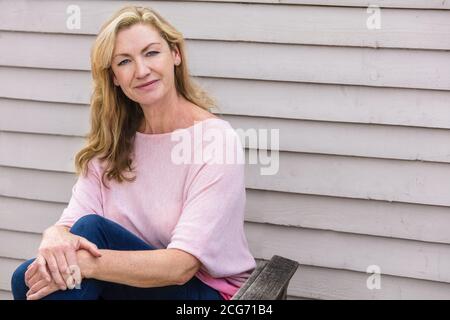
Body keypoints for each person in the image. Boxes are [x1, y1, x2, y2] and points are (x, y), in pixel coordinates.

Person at [11, 5, 256, 300]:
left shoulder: (215, 141)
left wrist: (87, 264)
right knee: (27, 278)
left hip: (201, 292)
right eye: (125, 61)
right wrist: (54, 234)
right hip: (132, 284)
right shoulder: (114, 142)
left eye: (151, 53)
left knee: (77, 246)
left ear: (175, 55)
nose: (141, 70)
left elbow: (180, 267)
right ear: (114, 77)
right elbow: (70, 225)